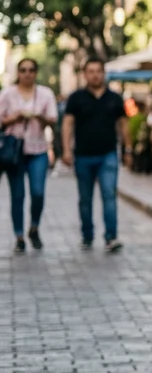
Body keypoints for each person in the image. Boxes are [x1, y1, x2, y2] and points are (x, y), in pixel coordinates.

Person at [62, 58, 126, 252]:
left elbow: (123, 124)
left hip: (108, 154)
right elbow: (67, 124)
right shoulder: (76, 98)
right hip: (83, 156)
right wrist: (66, 150)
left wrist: (129, 149)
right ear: (85, 74)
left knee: (109, 195)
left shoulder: (114, 98)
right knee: (85, 198)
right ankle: (87, 235)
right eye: (91, 71)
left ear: (103, 73)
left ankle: (111, 236)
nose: (95, 74)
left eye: (98, 70)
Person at [0, 58, 58, 252]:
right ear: (18, 73)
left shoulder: (45, 94)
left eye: (31, 70)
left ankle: (34, 226)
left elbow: (53, 120)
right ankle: (19, 236)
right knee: (17, 196)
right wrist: (14, 118)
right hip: (14, 153)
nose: (27, 73)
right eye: (23, 70)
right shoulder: (7, 94)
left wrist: (38, 116)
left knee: (38, 192)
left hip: (38, 150)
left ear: (36, 72)